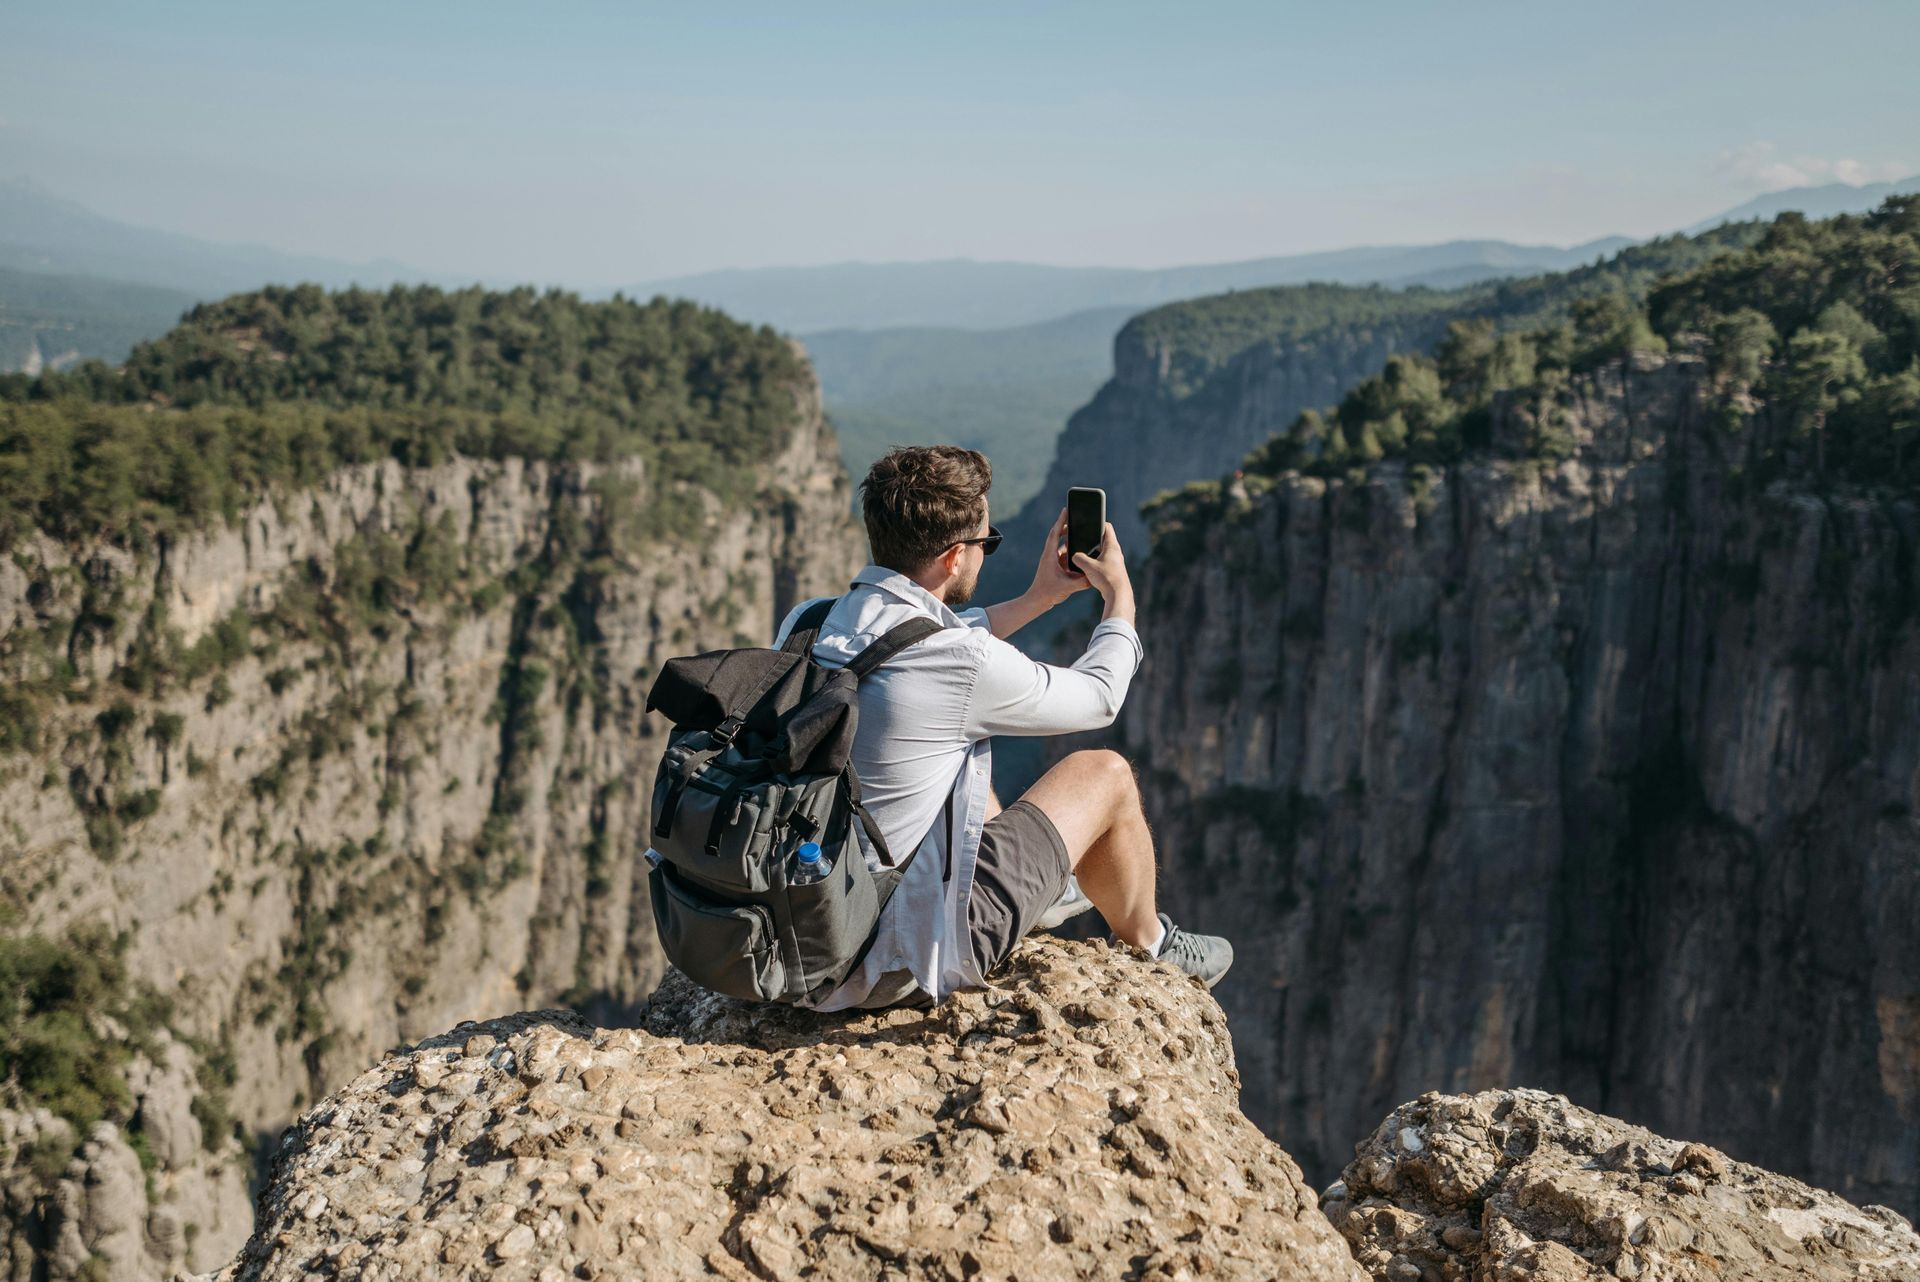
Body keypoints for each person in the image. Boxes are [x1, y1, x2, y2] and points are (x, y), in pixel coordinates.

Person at [774, 445, 1232, 1010]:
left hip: (799, 935)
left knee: (959, 757)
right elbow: (1101, 697)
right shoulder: (961, 664)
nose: (987, 555)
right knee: (1106, 772)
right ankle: (1153, 943)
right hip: (887, 960)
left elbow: (914, 641)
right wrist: (1120, 598)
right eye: (986, 544)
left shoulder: (808, 622)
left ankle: (1041, 892)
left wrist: (1040, 598)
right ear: (952, 558)